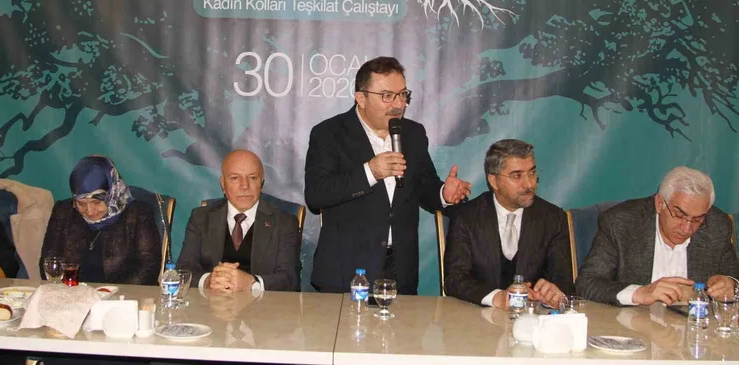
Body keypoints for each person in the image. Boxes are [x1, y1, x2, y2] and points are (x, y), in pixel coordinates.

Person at [304, 56, 471, 295]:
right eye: (387, 96)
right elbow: (316, 195)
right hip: (346, 270)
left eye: (402, 94)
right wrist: (370, 172)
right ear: (361, 98)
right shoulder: (329, 133)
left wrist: (443, 193)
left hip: (400, 270)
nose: (398, 104)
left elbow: (423, 186)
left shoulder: (413, 133)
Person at [577, 166, 739, 306]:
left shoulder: (717, 226)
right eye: (679, 215)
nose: (687, 228)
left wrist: (730, 285)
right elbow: (587, 284)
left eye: (697, 219)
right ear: (659, 203)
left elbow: (734, 279)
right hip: (634, 324)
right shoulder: (621, 223)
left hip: (694, 327)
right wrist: (639, 293)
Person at [444, 139, 573, 308]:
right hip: (477, 317)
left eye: (532, 173)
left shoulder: (553, 218)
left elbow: (563, 280)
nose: (529, 184)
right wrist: (497, 297)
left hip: (534, 317)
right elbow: (455, 279)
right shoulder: (466, 217)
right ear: (493, 181)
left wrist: (554, 291)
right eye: (517, 176)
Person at [177, 149, 300, 292]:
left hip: (263, 305)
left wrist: (252, 284)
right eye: (235, 178)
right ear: (223, 184)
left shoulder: (284, 223)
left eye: (252, 178)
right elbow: (184, 269)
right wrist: (208, 281)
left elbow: (290, 279)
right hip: (210, 302)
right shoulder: (201, 218)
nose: (245, 186)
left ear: (261, 183)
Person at [40, 155, 161, 285]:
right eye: (81, 203)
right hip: (72, 292)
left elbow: (148, 267)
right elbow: (49, 262)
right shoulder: (63, 211)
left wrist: (108, 293)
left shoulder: (138, 213)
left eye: (96, 202)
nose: (90, 211)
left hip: (122, 293)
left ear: (112, 193)